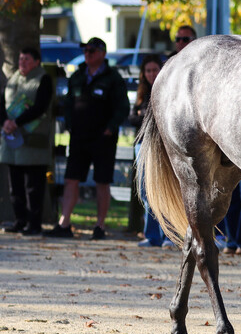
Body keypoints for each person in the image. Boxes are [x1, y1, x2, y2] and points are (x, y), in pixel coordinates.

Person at [44, 37, 130, 240]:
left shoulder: (113, 77)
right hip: (79, 136)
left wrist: (110, 128)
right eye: (85, 51)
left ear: (102, 53)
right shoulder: (78, 75)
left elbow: (122, 107)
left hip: (103, 138)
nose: (87, 54)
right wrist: (69, 123)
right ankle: (64, 223)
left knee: (102, 181)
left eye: (92, 51)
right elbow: (68, 102)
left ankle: (99, 226)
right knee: (70, 179)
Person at [0, 47, 53, 235]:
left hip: (33, 141)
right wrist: (5, 121)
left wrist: (16, 122)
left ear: (37, 61)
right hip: (12, 140)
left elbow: (40, 107)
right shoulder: (13, 78)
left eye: (27, 59)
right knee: (15, 185)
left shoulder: (43, 79)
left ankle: (34, 224)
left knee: (33, 186)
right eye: (20, 58)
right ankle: (19, 220)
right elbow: (2, 102)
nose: (22, 62)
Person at [128, 55, 168, 247]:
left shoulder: (167, 90)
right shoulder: (142, 93)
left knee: (164, 189)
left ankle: (168, 235)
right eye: (148, 71)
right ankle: (152, 235)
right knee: (146, 191)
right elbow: (132, 118)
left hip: (162, 145)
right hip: (142, 144)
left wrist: (142, 114)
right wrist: (144, 115)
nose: (152, 74)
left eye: (155, 70)